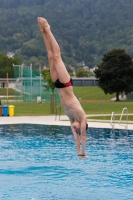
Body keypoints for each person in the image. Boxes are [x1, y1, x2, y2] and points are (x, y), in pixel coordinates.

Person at [38, 17, 88, 158]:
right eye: (77, 129)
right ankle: (48, 28)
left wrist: (77, 153)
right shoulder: (82, 118)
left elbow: (76, 138)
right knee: (57, 56)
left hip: (58, 85)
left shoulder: (72, 119)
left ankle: (43, 32)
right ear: (82, 127)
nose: (75, 129)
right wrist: (83, 152)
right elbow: (82, 137)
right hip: (66, 84)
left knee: (50, 58)